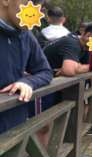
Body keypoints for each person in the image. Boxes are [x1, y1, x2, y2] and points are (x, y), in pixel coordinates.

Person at [0, 0, 53, 134]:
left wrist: (27, 82)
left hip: (15, 125)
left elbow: (45, 71)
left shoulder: (26, 35)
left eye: (38, 7)